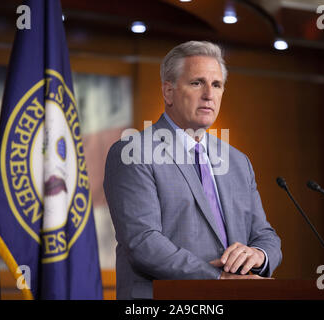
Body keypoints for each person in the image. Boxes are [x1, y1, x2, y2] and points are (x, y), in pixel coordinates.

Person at [103, 41, 282, 300]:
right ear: (168, 92)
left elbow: (265, 235)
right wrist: (219, 279)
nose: (209, 94)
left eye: (217, 85)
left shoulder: (237, 161)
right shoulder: (133, 152)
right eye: (197, 83)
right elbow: (143, 242)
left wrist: (259, 256)